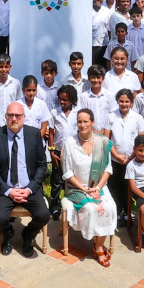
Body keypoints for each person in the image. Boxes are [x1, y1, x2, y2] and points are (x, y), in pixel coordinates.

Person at [0, 101, 48, 257]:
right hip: (6, 189)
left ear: (24, 117)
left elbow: (42, 165)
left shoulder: (34, 134)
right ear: (5, 117)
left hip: (29, 188)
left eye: (17, 115)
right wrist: (8, 191)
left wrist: (29, 189)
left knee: (43, 215)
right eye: (10, 115)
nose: (14, 119)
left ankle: (28, 236)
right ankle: (8, 234)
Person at [60, 108, 117, 265]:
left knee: (109, 207)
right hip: (77, 188)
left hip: (98, 187)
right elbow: (68, 173)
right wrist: (84, 189)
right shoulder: (70, 143)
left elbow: (107, 169)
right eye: (79, 121)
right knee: (92, 209)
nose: (82, 124)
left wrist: (98, 188)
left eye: (86, 121)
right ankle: (99, 248)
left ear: (92, 122)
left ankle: (97, 245)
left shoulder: (102, 142)